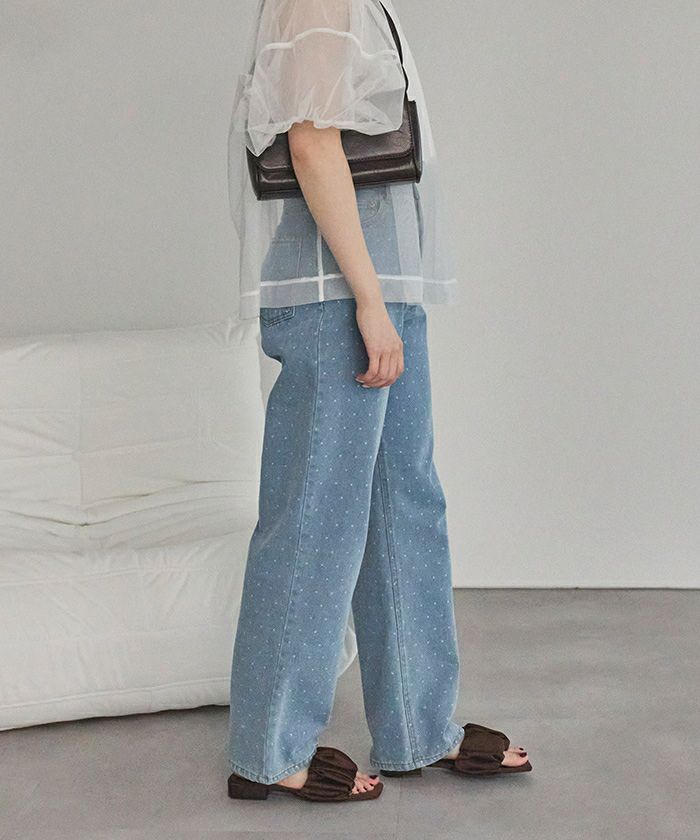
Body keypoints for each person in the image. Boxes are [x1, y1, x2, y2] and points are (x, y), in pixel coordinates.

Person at [225, 0, 531, 804]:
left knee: (405, 504)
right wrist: (366, 300)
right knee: (316, 515)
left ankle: (417, 727)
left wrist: (381, 297)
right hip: (341, 292)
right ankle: (269, 748)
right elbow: (310, 141)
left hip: (381, 282)